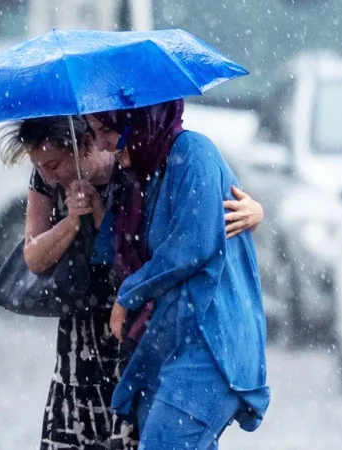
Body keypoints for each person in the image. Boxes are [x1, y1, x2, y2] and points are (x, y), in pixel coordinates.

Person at [0, 114, 264, 450]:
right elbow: (34, 258)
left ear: (85, 145)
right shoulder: (51, 179)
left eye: (54, 164)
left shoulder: (137, 160)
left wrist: (255, 212)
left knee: (143, 437)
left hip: (139, 326)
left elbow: (190, 230)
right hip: (87, 327)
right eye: (41, 166)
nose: (49, 175)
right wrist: (72, 222)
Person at [97, 100, 270, 449]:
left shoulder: (193, 153)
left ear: (139, 122)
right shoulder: (146, 174)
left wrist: (128, 295)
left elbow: (190, 247)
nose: (101, 145)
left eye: (107, 132)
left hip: (211, 345)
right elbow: (108, 250)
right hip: (170, 344)